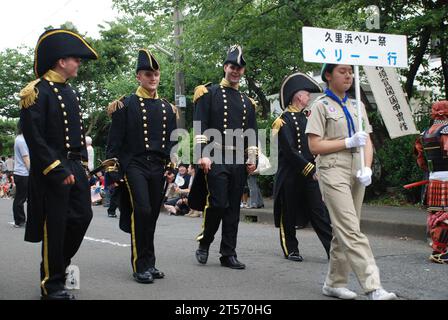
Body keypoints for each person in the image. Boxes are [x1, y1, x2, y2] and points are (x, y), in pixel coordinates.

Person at [306, 63, 397, 300]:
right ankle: (373, 286)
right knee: (350, 229)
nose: (348, 75)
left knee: (344, 228)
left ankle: (334, 283)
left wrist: (367, 166)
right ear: (328, 75)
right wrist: (346, 142)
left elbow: (366, 140)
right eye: (342, 71)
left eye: (350, 71)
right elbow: (314, 146)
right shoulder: (320, 106)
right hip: (332, 167)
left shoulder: (358, 104)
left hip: (357, 168)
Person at [19, 29, 98, 300]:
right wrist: (56, 168)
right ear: (61, 60)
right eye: (75, 59)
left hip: (74, 165)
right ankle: (51, 285)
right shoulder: (35, 92)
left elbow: (76, 136)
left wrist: (84, 167)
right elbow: (34, 136)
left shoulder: (70, 92)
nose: (79, 63)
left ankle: (58, 267)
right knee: (55, 226)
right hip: (52, 168)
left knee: (82, 217)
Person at [105, 49, 178, 284]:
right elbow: (114, 143)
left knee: (153, 216)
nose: (153, 78)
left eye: (156, 74)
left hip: (157, 166)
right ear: (138, 76)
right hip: (134, 165)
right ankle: (140, 265)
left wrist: (172, 166)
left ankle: (151, 262)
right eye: (148, 74)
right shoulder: (124, 106)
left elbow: (172, 142)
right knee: (143, 211)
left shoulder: (168, 109)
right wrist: (113, 171)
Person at [189, 45, 258, 269]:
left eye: (239, 68)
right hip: (215, 156)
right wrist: (202, 155)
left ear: (243, 71)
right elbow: (200, 126)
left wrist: (252, 158)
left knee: (233, 210)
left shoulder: (248, 102)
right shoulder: (208, 93)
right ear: (225, 67)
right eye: (232, 66)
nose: (235, 71)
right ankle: (205, 241)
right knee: (218, 203)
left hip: (237, 159)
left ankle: (228, 253)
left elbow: (252, 134)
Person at [272, 72, 333, 262]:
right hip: (290, 175)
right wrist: (310, 168)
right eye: (307, 94)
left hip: (309, 174)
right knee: (288, 213)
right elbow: (289, 151)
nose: (309, 98)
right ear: (299, 96)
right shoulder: (282, 121)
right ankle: (291, 249)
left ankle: (333, 251)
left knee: (319, 212)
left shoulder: (307, 118)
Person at [414, 100, 448, 264]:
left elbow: (420, 161)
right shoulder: (446, 130)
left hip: (434, 177)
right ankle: (444, 252)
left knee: (437, 214)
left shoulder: (425, 132)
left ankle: (437, 249)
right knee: (445, 216)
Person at [12, 121, 30, 228]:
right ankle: (19, 221)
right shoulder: (22, 140)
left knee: (20, 197)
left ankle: (20, 220)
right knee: (20, 198)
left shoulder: (19, 139)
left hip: (20, 173)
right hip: (23, 173)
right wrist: (32, 172)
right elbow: (26, 159)